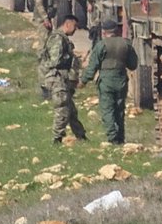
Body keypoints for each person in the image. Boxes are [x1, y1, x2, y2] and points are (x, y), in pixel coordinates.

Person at [80, 17, 137, 145]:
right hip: (121, 80)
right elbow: (133, 65)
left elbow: (92, 67)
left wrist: (83, 81)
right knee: (119, 110)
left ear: (104, 32)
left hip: (106, 81)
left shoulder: (101, 45)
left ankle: (113, 137)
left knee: (107, 110)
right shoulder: (126, 44)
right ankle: (121, 138)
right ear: (117, 31)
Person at [39, 13, 87, 145]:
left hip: (62, 78)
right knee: (62, 109)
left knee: (71, 110)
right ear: (67, 24)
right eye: (74, 26)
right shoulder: (58, 38)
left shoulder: (62, 38)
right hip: (57, 78)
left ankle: (81, 136)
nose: (75, 30)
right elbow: (55, 60)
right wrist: (71, 59)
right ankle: (57, 139)